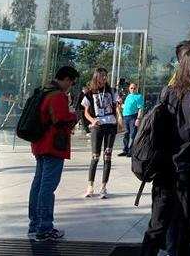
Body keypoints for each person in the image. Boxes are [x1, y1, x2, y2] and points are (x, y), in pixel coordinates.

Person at [140, 49, 190, 256]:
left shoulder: (167, 92)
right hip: (187, 168)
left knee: (157, 222)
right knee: (185, 224)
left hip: (163, 166)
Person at [28, 66, 79, 242]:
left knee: (38, 184)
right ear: (66, 79)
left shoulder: (43, 91)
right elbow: (60, 119)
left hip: (40, 144)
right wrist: (74, 116)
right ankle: (44, 228)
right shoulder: (57, 95)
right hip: (53, 146)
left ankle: (34, 225)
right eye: (71, 82)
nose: (70, 86)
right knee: (47, 187)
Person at [81, 67, 121, 198]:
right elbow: (86, 112)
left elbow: (117, 107)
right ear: (96, 77)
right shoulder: (89, 93)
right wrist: (93, 120)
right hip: (97, 126)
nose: (104, 78)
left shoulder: (112, 91)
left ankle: (103, 187)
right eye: (102, 76)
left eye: (106, 76)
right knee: (95, 157)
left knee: (107, 156)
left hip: (110, 125)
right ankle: (90, 186)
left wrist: (119, 119)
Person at [119, 82, 145, 157]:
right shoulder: (128, 96)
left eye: (134, 88)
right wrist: (121, 105)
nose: (133, 89)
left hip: (133, 117)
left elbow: (140, 109)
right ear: (129, 89)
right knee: (126, 134)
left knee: (133, 135)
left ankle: (132, 150)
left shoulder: (139, 96)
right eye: (131, 88)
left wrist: (138, 118)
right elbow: (126, 106)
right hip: (125, 117)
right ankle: (125, 150)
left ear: (137, 89)